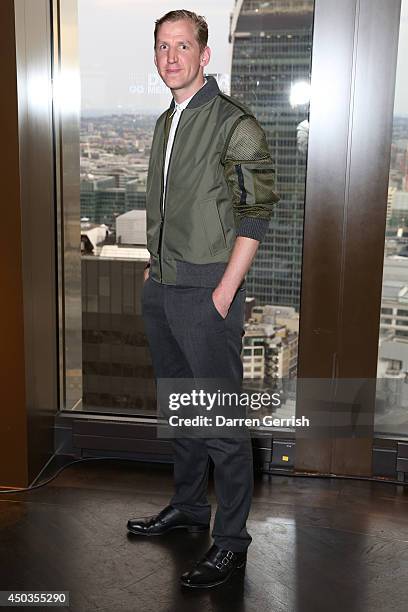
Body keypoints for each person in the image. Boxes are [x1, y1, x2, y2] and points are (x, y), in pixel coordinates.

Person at [127, 9, 280, 589]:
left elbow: (257, 214)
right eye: (163, 47)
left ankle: (232, 543)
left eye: (182, 46)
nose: (171, 57)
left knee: (221, 421)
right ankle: (189, 507)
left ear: (204, 55)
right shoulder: (166, 123)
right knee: (181, 410)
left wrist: (222, 293)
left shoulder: (234, 124)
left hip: (206, 294)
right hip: (163, 289)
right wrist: (153, 271)